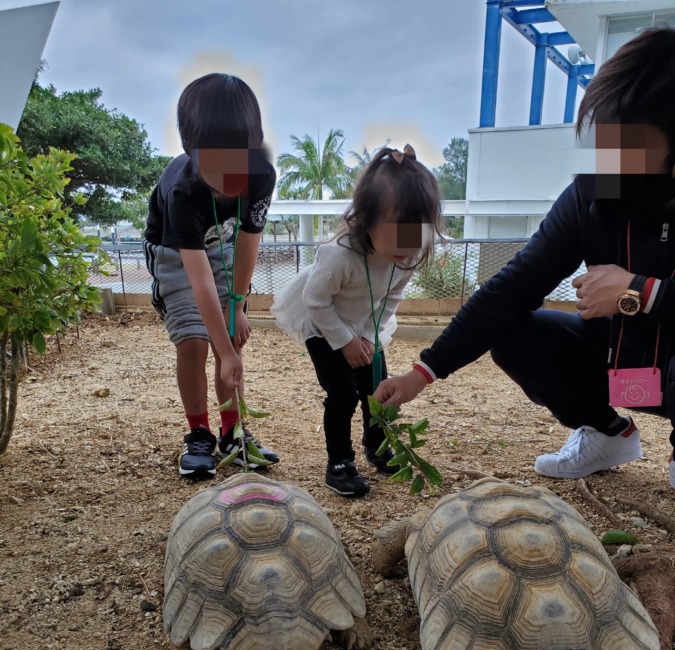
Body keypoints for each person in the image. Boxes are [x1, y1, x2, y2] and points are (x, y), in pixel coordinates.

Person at [374, 28, 675, 489]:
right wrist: (423, 371)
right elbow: (509, 290)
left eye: (630, 140)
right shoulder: (593, 195)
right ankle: (607, 433)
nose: (609, 153)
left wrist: (641, 292)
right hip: (622, 364)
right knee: (512, 329)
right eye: (604, 133)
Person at [272, 145, 442, 497]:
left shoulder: (402, 258)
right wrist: (345, 341)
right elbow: (315, 301)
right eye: (398, 231)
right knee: (343, 393)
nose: (408, 245)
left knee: (377, 391)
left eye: (417, 233)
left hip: (366, 327)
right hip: (323, 327)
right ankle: (339, 463)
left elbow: (391, 298)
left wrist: (367, 336)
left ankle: (377, 446)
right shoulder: (339, 255)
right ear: (367, 217)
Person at [144, 73, 279, 478]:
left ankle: (233, 434)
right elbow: (199, 280)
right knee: (195, 343)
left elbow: (248, 242)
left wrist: (238, 305)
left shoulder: (262, 176)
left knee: (232, 339)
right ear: (192, 153)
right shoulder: (183, 192)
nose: (232, 175)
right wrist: (222, 345)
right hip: (174, 251)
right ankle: (199, 433)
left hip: (222, 241)